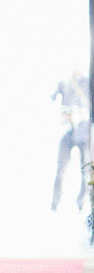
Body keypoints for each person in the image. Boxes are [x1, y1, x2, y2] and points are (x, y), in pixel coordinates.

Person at [51, 71, 90, 211]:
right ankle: (55, 203)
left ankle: (82, 203)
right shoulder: (64, 82)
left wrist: (80, 113)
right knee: (60, 170)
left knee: (86, 171)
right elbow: (52, 98)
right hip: (67, 131)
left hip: (84, 133)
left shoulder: (88, 82)